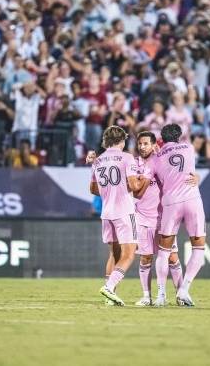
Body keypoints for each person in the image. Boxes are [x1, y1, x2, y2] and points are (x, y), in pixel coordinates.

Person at [132, 131, 195, 307]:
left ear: (154, 145)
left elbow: (180, 176)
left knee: (172, 257)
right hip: (143, 217)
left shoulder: (162, 161)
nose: (142, 147)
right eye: (140, 144)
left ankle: (180, 295)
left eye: (145, 143)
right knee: (145, 258)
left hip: (163, 216)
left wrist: (194, 178)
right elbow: (133, 189)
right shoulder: (133, 164)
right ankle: (146, 296)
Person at [147, 124, 206, 307]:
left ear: (161, 138)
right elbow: (191, 172)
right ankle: (184, 289)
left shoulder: (156, 159)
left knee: (164, 252)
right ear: (179, 136)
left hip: (171, 202)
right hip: (192, 199)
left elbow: (155, 179)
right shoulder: (189, 148)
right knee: (199, 248)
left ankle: (161, 296)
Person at [89, 126, 146, 306]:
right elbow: (134, 185)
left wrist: (110, 191)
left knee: (114, 254)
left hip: (107, 213)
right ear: (122, 141)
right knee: (129, 254)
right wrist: (144, 178)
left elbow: (92, 189)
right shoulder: (127, 158)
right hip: (124, 211)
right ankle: (109, 287)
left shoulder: (98, 160)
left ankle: (110, 297)